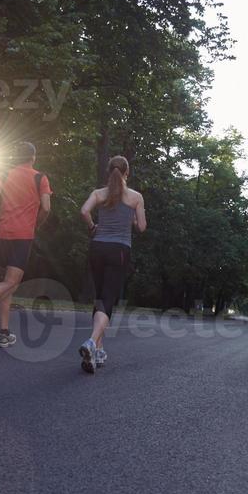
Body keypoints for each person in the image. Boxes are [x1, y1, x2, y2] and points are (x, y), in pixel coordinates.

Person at [0, 142, 52, 347]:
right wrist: (36, 223)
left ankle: (4, 333)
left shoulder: (5, 174)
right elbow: (47, 208)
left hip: (2, 233)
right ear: (33, 157)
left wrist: (0, 213)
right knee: (12, 282)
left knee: (7, 283)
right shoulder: (40, 177)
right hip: (23, 236)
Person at [77, 156, 146, 374]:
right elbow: (142, 227)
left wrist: (92, 228)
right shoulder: (135, 197)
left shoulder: (99, 194)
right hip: (119, 251)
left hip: (97, 248)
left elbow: (84, 211)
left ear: (109, 172)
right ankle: (91, 342)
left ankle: (98, 349)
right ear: (127, 172)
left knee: (99, 298)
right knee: (108, 299)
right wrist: (133, 220)